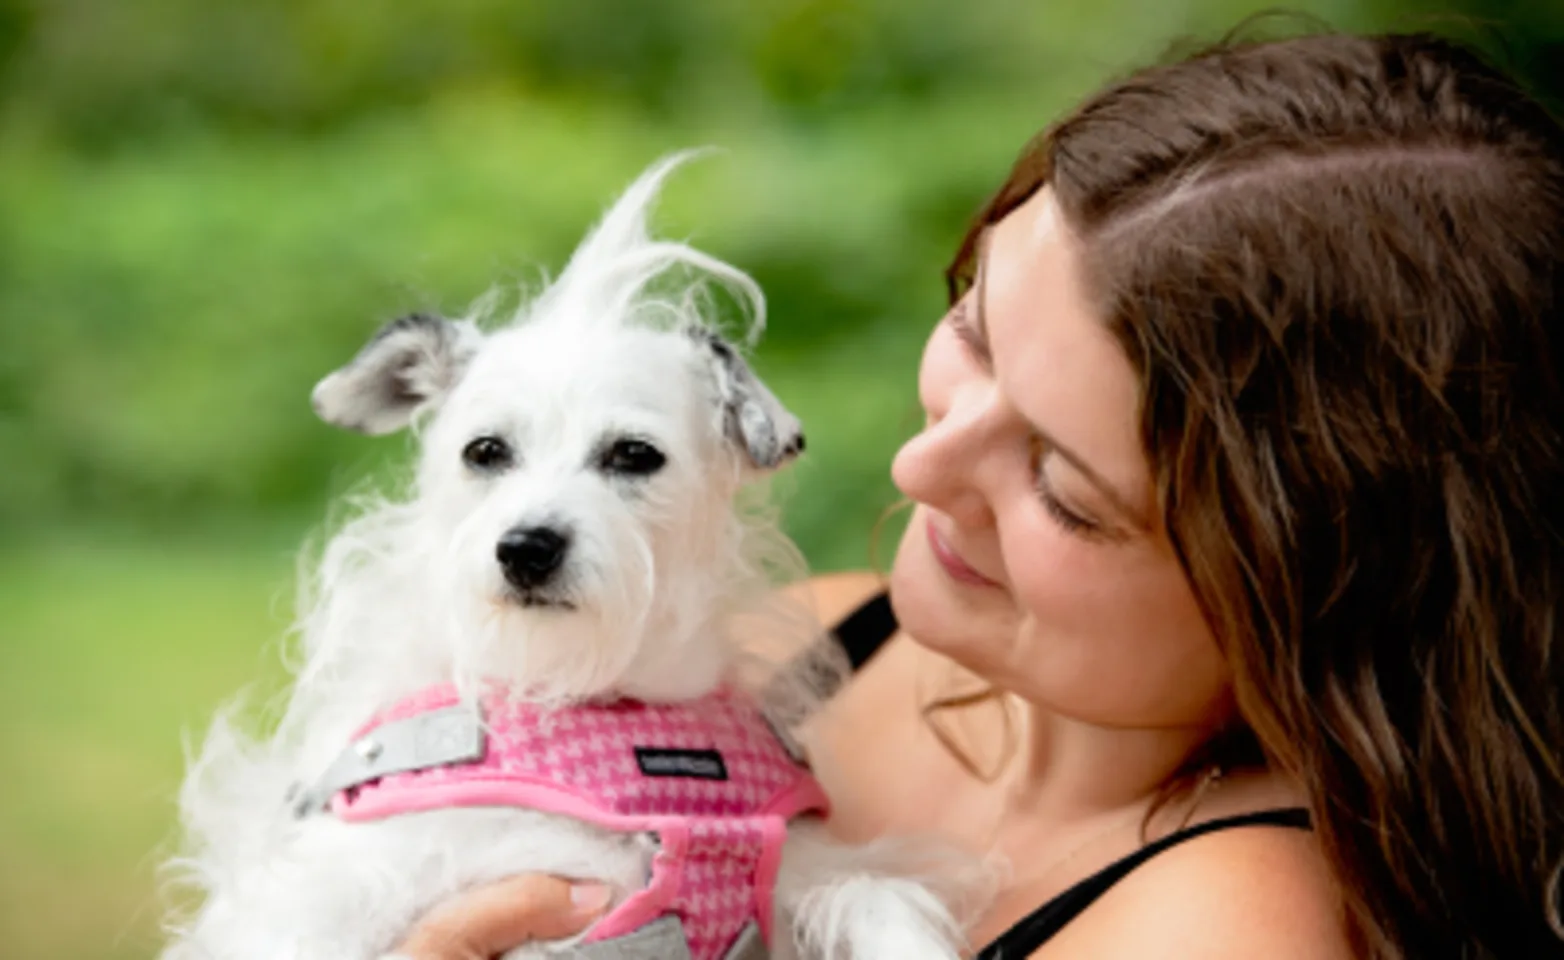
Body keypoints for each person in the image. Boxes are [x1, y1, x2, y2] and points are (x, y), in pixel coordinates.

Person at [388, 29, 1564, 959]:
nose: (919, 467)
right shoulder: (822, 643)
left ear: (1307, 580)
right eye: (974, 331)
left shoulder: (1225, 923)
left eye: (1062, 486)